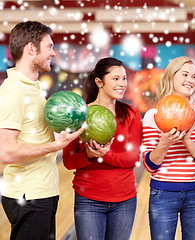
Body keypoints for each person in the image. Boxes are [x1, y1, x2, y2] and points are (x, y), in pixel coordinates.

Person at [0, 21, 84, 240]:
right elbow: (5, 152)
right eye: (49, 46)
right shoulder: (13, 92)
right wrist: (55, 146)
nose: (53, 53)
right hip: (28, 195)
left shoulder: (33, 88)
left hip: (41, 193)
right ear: (31, 48)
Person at [62, 57, 142, 240]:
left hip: (124, 200)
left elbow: (133, 158)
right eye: (115, 79)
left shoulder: (131, 113)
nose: (122, 84)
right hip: (88, 199)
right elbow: (68, 161)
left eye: (124, 78)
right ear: (99, 82)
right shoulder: (79, 115)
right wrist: (89, 156)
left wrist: (106, 155)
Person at [142, 56, 195, 240]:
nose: (190, 80)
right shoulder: (153, 115)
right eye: (185, 74)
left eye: (194, 76)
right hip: (162, 194)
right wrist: (164, 143)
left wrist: (188, 141)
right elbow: (150, 165)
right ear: (170, 77)